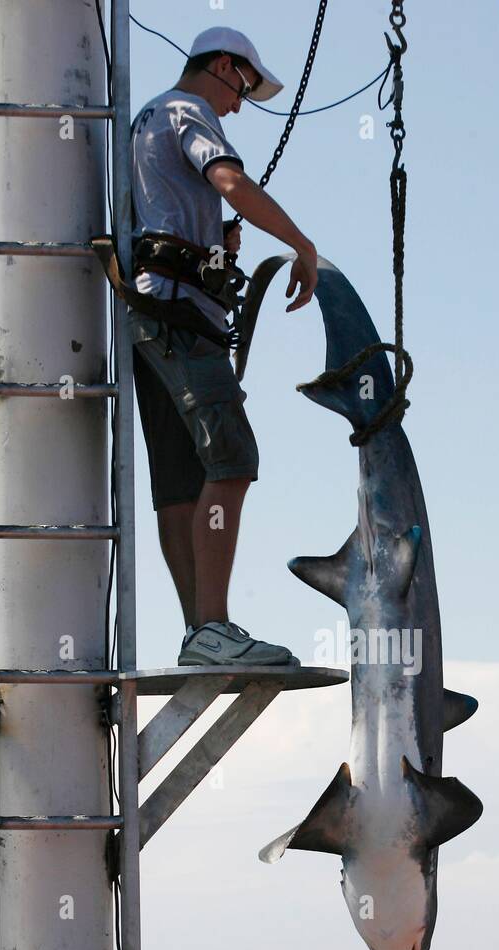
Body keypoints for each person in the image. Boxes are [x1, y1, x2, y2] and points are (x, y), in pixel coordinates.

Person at [128, 27, 319, 667]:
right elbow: (231, 181)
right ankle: (213, 626)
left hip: (150, 317)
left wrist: (213, 247)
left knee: (180, 485)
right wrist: (302, 245)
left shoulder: (146, 118)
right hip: (182, 319)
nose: (239, 106)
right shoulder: (189, 111)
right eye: (243, 89)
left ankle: (199, 634)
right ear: (225, 67)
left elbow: (161, 219)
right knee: (233, 461)